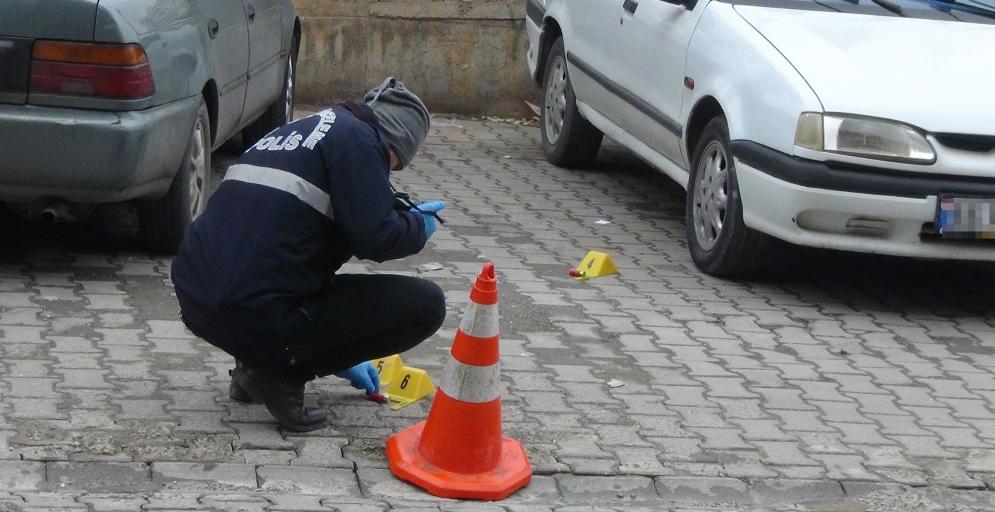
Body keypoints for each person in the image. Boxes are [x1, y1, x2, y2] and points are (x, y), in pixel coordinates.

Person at [170, 78, 447, 432]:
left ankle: (252, 364)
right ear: (396, 142)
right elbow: (377, 238)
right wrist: (417, 228)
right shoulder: (361, 142)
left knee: (267, 267)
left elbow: (284, 242)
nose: (387, 173)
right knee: (426, 305)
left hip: (198, 299)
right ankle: (281, 375)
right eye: (395, 165)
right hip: (252, 307)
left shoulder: (298, 133)